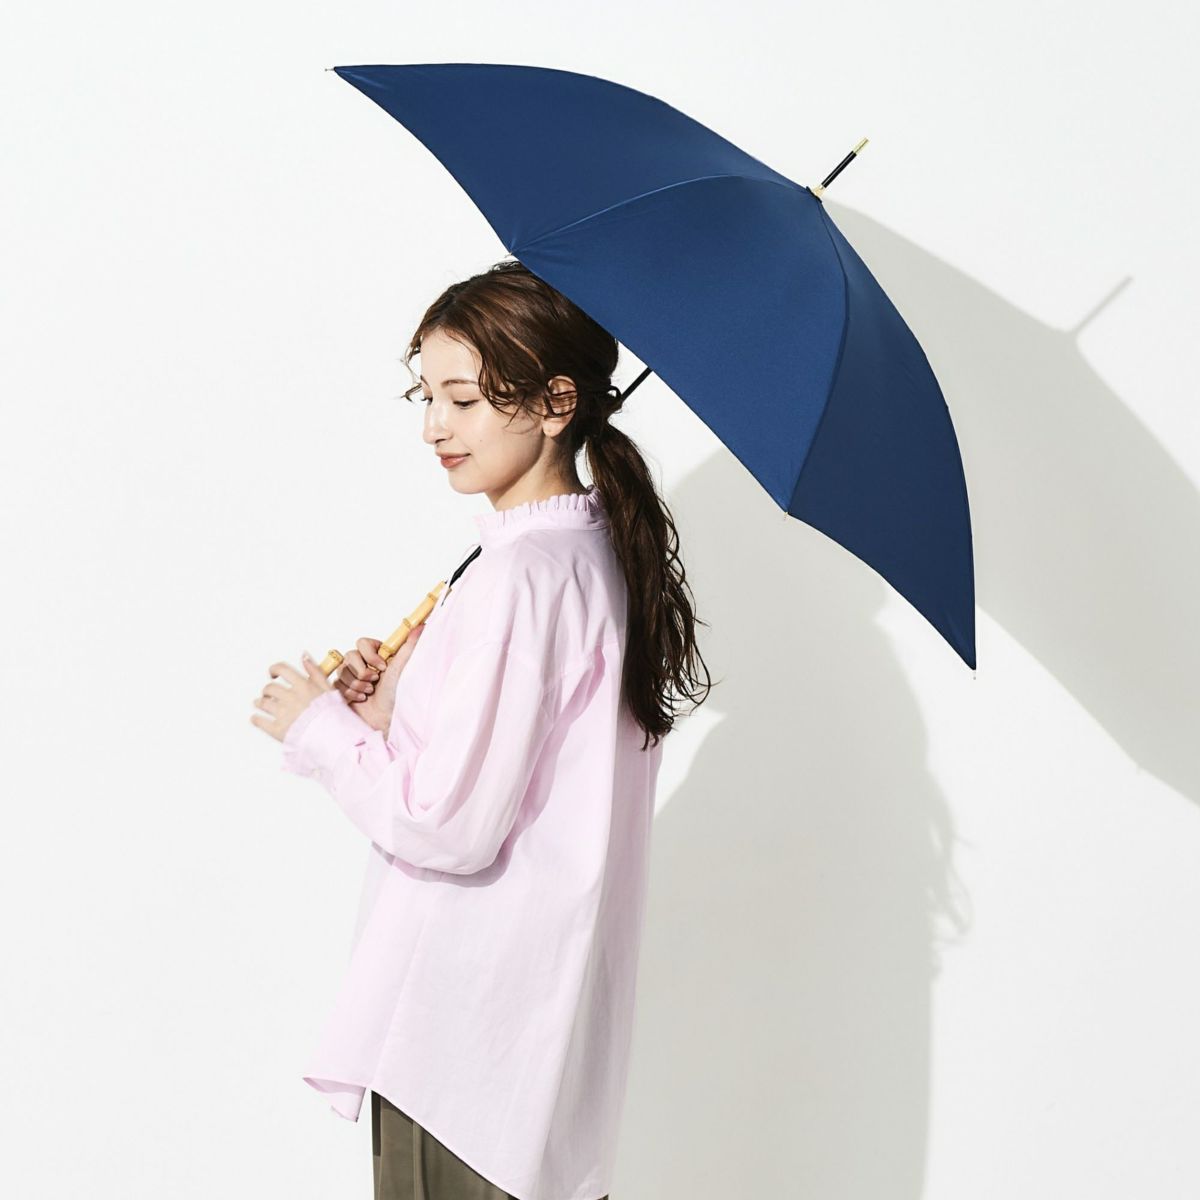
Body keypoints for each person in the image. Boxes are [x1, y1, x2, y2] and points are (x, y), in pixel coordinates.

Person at [250, 258, 715, 1200]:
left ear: (556, 403)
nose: (434, 427)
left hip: (459, 1038)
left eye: (462, 400)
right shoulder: (592, 557)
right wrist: (391, 711)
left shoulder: (519, 578)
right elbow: (521, 776)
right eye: (425, 396)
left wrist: (321, 733)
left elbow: (449, 826)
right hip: (523, 1041)